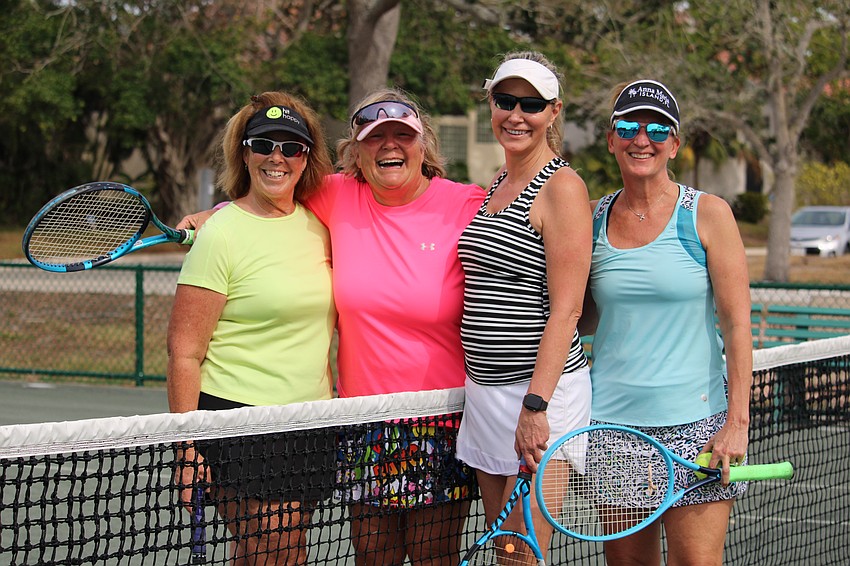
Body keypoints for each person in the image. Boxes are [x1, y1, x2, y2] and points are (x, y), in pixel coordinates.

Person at [179, 88, 484, 566]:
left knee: (434, 558)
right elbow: (269, 195)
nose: (389, 146)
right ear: (355, 153)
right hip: (359, 423)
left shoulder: (468, 203)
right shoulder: (337, 195)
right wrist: (212, 215)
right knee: (368, 556)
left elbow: (543, 213)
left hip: (441, 418)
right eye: (374, 137)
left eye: (402, 135)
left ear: (423, 146)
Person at [581, 79, 752, 565]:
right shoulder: (592, 219)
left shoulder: (709, 214)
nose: (642, 138)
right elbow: (580, 318)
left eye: (658, 127)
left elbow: (739, 327)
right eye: (628, 126)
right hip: (613, 428)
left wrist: (736, 423)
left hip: (699, 429)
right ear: (612, 139)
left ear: (674, 144)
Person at [167, 91, 336, 565]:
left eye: (291, 147)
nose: (276, 157)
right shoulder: (220, 234)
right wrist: (185, 449)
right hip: (237, 421)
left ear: (307, 158)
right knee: (281, 550)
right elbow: (184, 351)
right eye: (263, 144)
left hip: (313, 422)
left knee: (266, 550)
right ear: (244, 153)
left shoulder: (321, 225)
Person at [455, 51, 594, 562]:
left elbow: (567, 311)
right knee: (505, 550)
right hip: (485, 394)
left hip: (540, 399)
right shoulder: (496, 183)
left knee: (522, 553)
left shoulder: (562, 189)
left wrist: (535, 408)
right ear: (491, 102)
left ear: (554, 112)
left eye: (531, 104)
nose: (516, 114)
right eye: (505, 100)